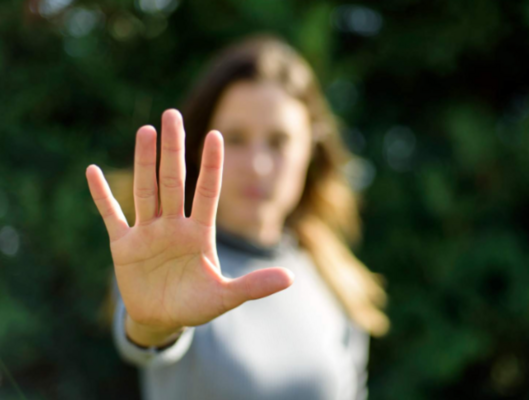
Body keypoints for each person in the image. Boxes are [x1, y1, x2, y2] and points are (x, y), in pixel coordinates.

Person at [86, 34, 389, 400]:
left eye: (278, 141)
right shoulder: (168, 260)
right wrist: (154, 326)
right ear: (198, 148)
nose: (257, 165)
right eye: (235, 138)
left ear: (310, 149)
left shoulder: (336, 277)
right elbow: (147, 337)